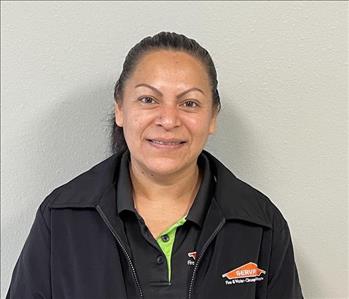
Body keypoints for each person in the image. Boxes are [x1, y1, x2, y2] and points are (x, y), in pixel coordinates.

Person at [6, 32, 303, 299]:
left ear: (212, 117)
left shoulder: (260, 224)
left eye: (189, 103)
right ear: (120, 109)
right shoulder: (61, 218)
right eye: (148, 99)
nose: (169, 120)